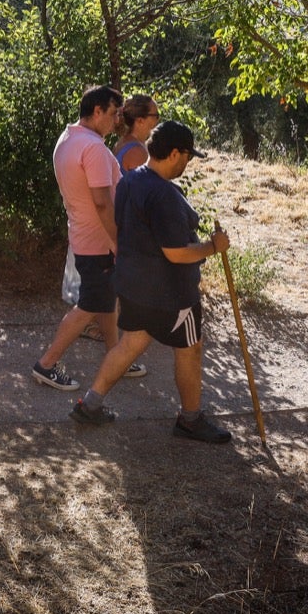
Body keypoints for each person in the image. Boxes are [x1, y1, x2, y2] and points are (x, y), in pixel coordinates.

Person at [69, 121, 235, 442]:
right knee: (190, 349)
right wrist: (214, 246)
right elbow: (175, 253)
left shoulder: (131, 180)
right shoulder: (164, 196)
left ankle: (90, 405)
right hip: (170, 295)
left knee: (132, 342)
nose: (188, 163)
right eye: (187, 156)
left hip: (133, 286)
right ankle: (190, 419)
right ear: (174, 153)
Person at [31, 85, 148, 391]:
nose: (116, 122)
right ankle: (47, 363)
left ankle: (116, 356)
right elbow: (101, 202)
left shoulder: (68, 138)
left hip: (85, 237)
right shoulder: (94, 148)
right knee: (89, 305)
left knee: (105, 301)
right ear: (97, 111)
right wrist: (117, 243)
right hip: (98, 242)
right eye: (112, 114)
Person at [112, 94, 160, 172]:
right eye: (156, 116)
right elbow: (145, 183)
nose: (158, 120)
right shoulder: (137, 152)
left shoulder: (124, 141)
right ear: (140, 120)